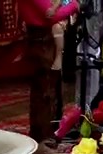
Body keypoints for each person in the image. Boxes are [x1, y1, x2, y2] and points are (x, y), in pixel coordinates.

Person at [20, 0, 79, 142]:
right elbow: (52, 16)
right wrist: (75, 5)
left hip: (42, 39)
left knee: (50, 89)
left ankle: (50, 132)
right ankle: (42, 137)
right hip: (41, 41)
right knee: (45, 93)